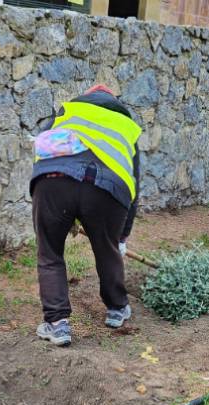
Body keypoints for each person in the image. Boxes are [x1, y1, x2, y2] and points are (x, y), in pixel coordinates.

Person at [29, 84, 142, 346]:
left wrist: (59, 209)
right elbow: (134, 185)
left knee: (50, 252)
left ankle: (57, 325)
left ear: (86, 98)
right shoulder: (124, 126)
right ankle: (117, 309)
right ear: (113, 102)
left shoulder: (66, 112)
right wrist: (121, 236)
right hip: (106, 189)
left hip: (51, 182)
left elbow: (42, 150)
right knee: (107, 248)